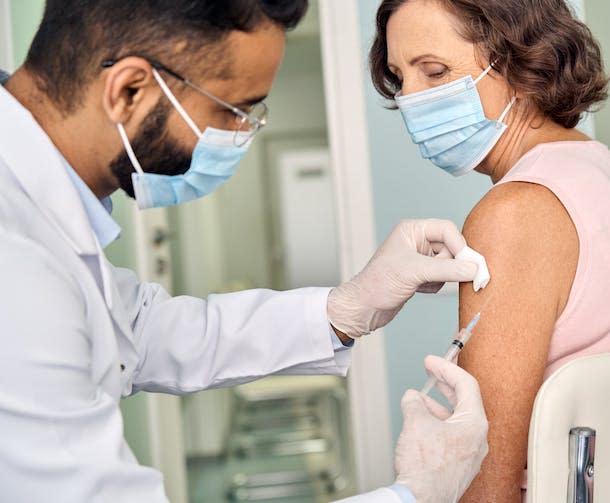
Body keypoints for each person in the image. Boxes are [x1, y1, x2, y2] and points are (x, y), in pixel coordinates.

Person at [0, 1, 489, 502]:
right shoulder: (14, 256)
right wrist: (416, 496)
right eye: (232, 112)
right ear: (129, 91)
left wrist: (346, 307)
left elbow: (141, 332)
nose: (241, 136)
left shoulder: (38, 207)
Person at [369, 0, 610, 501]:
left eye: (433, 72)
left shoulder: (515, 212)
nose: (410, 99)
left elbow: (487, 481)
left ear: (521, 61)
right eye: (399, 77)